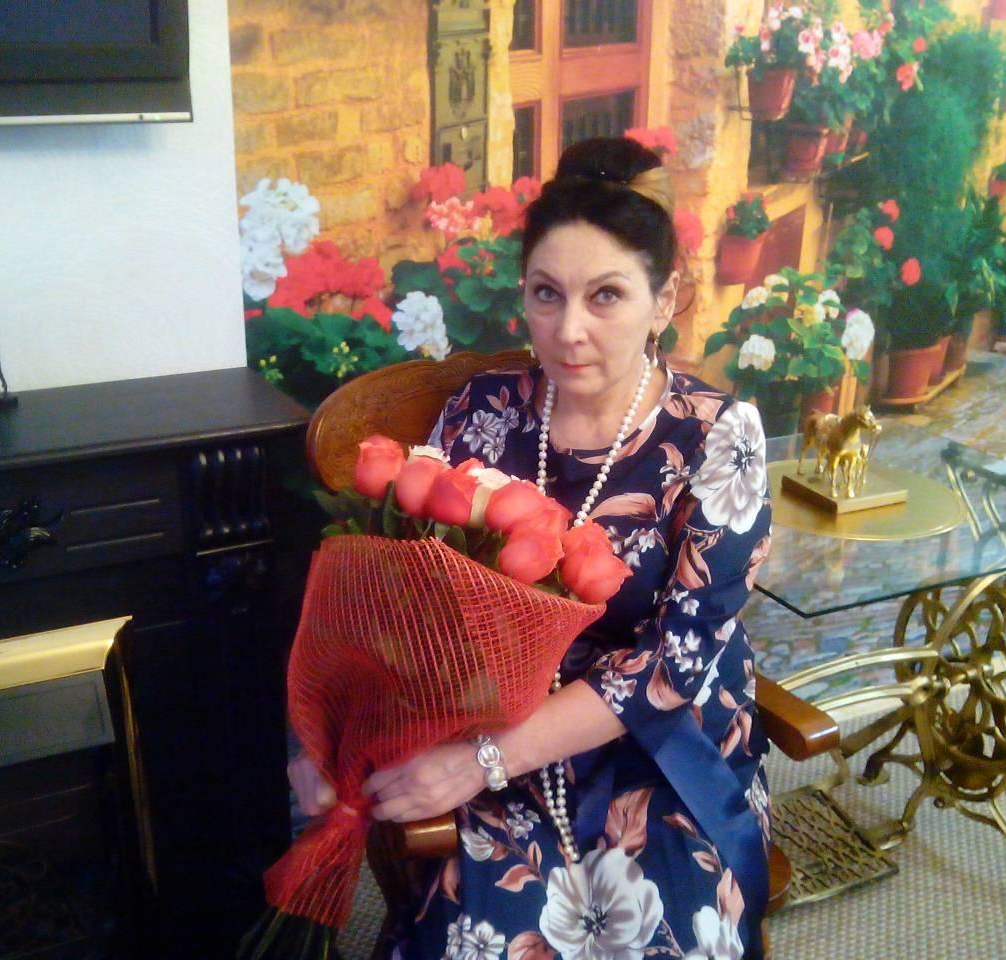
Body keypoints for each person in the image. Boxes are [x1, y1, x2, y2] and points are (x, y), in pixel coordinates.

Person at [289, 136, 773, 960]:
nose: (569, 330)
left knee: (662, 930)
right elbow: (408, 599)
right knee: (482, 935)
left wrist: (481, 761)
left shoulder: (720, 438)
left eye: (606, 295)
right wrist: (339, 736)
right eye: (547, 294)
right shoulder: (484, 412)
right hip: (485, 717)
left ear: (664, 299)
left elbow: (675, 661)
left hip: (658, 747)